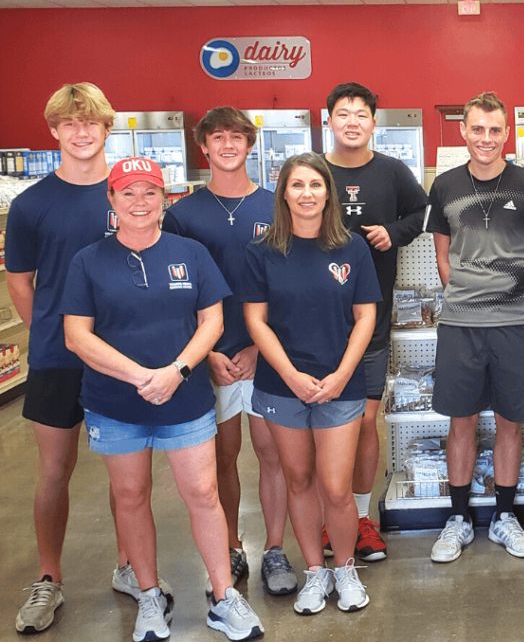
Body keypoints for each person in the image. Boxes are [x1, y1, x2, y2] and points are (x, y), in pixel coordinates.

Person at [61, 157, 264, 642]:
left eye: (149, 192)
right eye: (127, 192)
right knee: (130, 497)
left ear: (164, 200)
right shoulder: (88, 261)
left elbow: (211, 322)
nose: (139, 202)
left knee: (203, 494)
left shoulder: (190, 252)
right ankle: (150, 596)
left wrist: (175, 372)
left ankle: (222, 596)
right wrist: (141, 377)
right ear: (111, 201)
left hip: (186, 398)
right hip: (114, 404)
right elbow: (76, 336)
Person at [7, 83, 168, 634]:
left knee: (128, 477)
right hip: (57, 359)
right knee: (55, 470)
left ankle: (129, 566)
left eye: (91, 123)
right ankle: (48, 577)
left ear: (107, 130)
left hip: (125, 359)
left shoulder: (131, 192)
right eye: (69, 124)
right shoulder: (31, 205)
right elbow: (21, 283)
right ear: (54, 132)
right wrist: (57, 334)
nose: (81, 132)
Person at [162, 107, 296, 596]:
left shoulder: (276, 206)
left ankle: (276, 548)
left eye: (236, 136)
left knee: (272, 454)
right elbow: (177, 295)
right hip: (210, 359)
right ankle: (235, 546)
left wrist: (262, 350)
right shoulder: (181, 215)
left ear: (250, 144)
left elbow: (287, 287)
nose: (227, 145)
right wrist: (205, 353)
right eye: (217, 137)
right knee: (222, 459)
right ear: (205, 147)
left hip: (265, 355)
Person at [241, 153, 381, 615]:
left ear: (328, 193)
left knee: (336, 488)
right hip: (283, 387)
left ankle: (345, 569)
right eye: (296, 185)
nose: (306, 193)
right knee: (298, 481)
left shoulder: (352, 248)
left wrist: (341, 374)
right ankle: (315, 575)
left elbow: (366, 317)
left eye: (315, 185)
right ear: (284, 193)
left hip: (341, 386)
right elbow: (256, 322)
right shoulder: (262, 250)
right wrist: (291, 375)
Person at [425, 91, 524, 563]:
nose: (486, 138)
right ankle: (457, 519)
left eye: (495, 130)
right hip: (460, 324)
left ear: (507, 133)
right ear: (464, 131)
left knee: (510, 422)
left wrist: (508, 295)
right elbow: (441, 252)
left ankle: (503, 518)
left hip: (518, 323)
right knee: (462, 420)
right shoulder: (446, 184)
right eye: (478, 129)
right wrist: (467, 295)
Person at [322, 82, 429, 563]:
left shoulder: (391, 171)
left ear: (372, 122)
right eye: (343, 113)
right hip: (311, 326)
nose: (351, 121)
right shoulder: (310, 171)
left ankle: (360, 517)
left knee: (365, 421)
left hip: (372, 321)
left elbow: (421, 211)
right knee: (316, 426)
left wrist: (394, 232)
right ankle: (327, 519)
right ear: (330, 120)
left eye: (361, 114)